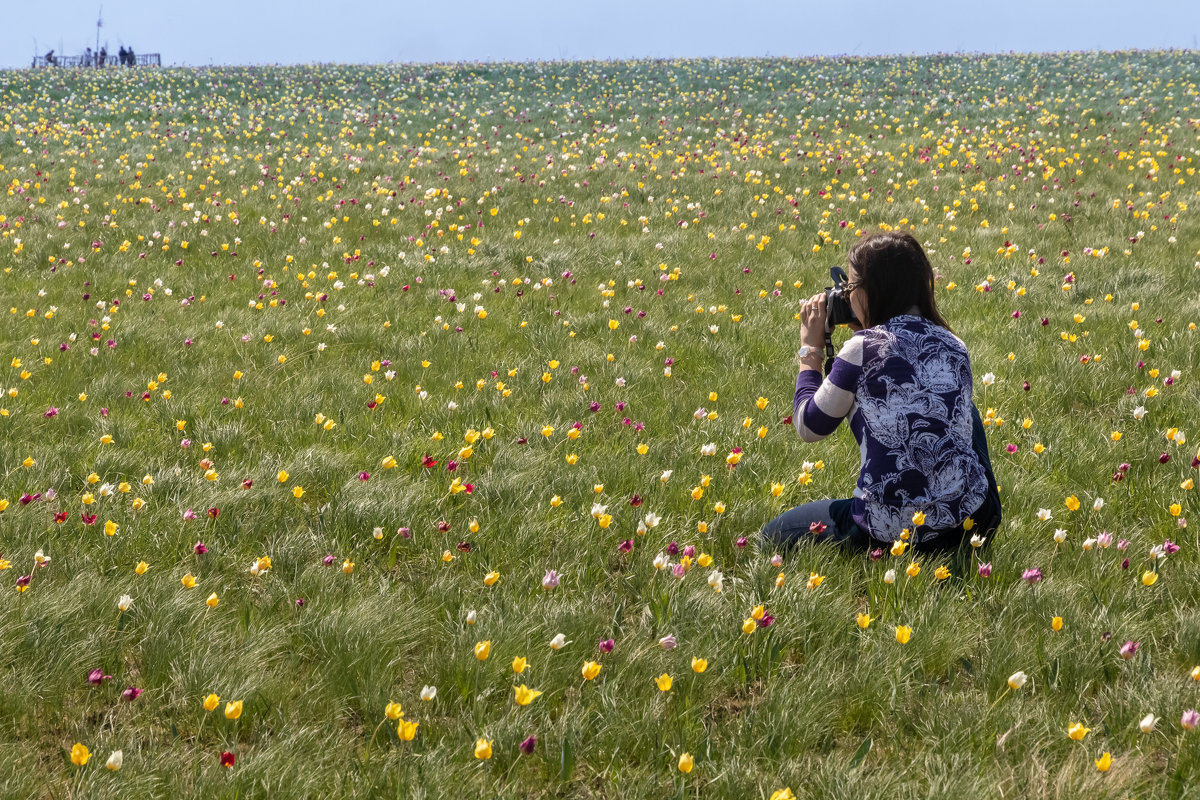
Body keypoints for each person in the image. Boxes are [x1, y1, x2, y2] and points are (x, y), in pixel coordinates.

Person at [761, 230, 1001, 552]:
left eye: (850, 287)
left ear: (872, 290)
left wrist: (810, 352)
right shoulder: (955, 345)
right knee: (964, 409)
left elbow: (809, 426)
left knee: (771, 536)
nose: (845, 296)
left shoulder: (861, 349)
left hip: (887, 532)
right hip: (969, 523)